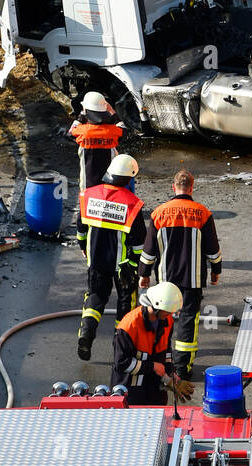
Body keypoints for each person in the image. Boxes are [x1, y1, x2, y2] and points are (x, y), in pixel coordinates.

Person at [138, 169, 222, 381]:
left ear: (173, 188)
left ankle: (160, 361)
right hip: (192, 279)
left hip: (166, 279)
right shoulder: (202, 213)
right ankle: (183, 368)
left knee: (163, 319)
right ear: (191, 188)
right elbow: (213, 249)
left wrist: (144, 274)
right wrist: (216, 271)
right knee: (188, 321)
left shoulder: (158, 213)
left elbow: (148, 251)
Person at [76, 153, 146, 361]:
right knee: (126, 305)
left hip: (96, 262)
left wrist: (84, 248)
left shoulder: (88, 195)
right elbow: (139, 243)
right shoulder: (132, 203)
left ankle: (86, 335)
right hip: (123, 265)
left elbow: (80, 230)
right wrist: (137, 266)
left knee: (95, 297)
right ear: (128, 178)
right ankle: (120, 349)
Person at [111, 282, 192, 406]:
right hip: (131, 392)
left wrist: (171, 374)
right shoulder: (129, 326)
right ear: (156, 306)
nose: (171, 315)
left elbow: (166, 350)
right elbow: (122, 363)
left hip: (154, 391)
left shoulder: (166, 320)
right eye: (168, 311)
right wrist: (152, 366)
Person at [68, 91, 124, 192]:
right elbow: (123, 128)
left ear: (86, 110)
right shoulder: (113, 132)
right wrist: (112, 112)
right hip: (108, 183)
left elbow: (71, 131)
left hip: (88, 184)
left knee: (87, 200)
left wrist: (81, 115)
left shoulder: (83, 132)